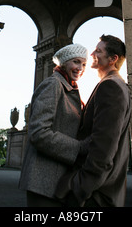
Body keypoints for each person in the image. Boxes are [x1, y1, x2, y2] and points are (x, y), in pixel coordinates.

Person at [56, 34, 131, 207]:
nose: (92, 54)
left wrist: (79, 188)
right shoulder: (117, 84)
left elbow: (104, 147)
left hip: (96, 195)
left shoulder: (110, 86)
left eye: (98, 51)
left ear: (113, 59)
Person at [19, 43, 90, 207]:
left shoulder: (69, 87)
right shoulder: (53, 85)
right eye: (76, 62)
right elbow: (38, 133)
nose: (80, 68)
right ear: (64, 63)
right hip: (43, 180)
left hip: (56, 179)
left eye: (84, 64)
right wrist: (78, 148)